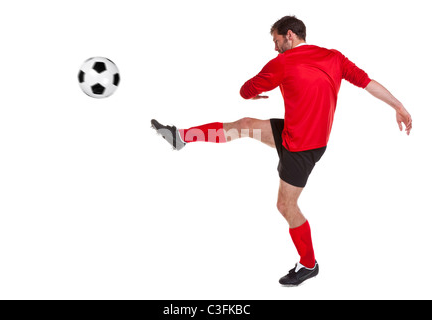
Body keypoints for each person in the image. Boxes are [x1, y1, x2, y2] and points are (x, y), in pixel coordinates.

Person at [151, 15, 412, 286]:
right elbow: (368, 82)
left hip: (302, 149)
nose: (275, 48)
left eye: (276, 41)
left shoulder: (282, 64)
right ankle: (181, 137)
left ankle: (309, 264)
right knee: (243, 125)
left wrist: (253, 94)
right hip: (292, 133)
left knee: (286, 205)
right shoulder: (334, 57)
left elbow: (245, 90)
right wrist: (399, 106)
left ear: (289, 35)